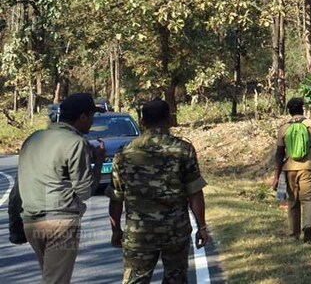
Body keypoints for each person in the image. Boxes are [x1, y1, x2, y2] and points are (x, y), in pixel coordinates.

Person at [109, 99, 210, 284]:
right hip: (175, 232)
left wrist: (116, 230)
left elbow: (116, 197)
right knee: (176, 278)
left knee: (135, 280)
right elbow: (194, 192)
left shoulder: (124, 153)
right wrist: (202, 227)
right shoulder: (183, 150)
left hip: (138, 233)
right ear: (169, 119)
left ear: (142, 122)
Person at [17, 92, 105, 284]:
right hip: (60, 221)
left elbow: (18, 186)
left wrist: (15, 226)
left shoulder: (33, 139)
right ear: (82, 116)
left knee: (50, 277)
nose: (92, 121)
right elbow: (85, 191)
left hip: (31, 221)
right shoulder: (76, 143)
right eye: (91, 116)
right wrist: (97, 163)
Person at [271, 97, 311, 243]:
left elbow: (279, 154)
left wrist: (276, 177)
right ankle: (308, 227)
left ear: (289, 111)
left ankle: (294, 234)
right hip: (308, 167)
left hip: (289, 169)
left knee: (292, 201)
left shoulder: (283, 128)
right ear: (302, 109)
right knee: (308, 199)